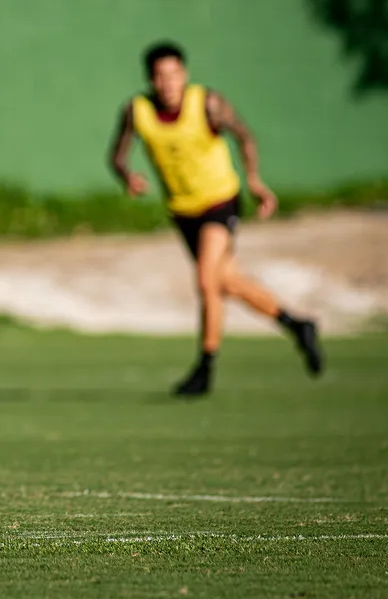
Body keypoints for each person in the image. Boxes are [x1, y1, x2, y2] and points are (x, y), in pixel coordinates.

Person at [109, 41, 323, 397]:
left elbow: (245, 136)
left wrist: (254, 180)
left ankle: (205, 368)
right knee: (227, 281)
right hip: (182, 210)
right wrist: (126, 175)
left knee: (207, 283)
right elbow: (117, 155)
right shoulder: (136, 111)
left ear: (185, 74)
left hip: (220, 201)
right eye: (161, 76)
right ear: (150, 79)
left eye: (174, 74)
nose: (168, 83)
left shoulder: (207, 103)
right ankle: (298, 325)